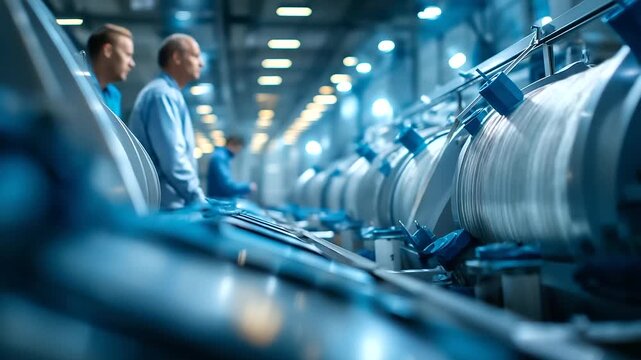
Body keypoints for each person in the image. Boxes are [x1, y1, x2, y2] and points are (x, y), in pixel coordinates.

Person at [129, 34, 206, 210]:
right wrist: (196, 196)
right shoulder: (162, 95)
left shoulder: (169, 94)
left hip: (170, 204)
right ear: (177, 57)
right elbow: (173, 158)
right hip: (165, 207)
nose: (200, 63)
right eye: (195, 55)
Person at [86, 24, 135, 117]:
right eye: (128, 55)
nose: (132, 64)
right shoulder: (79, 89)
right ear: (108, 50)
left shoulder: (114, 94)